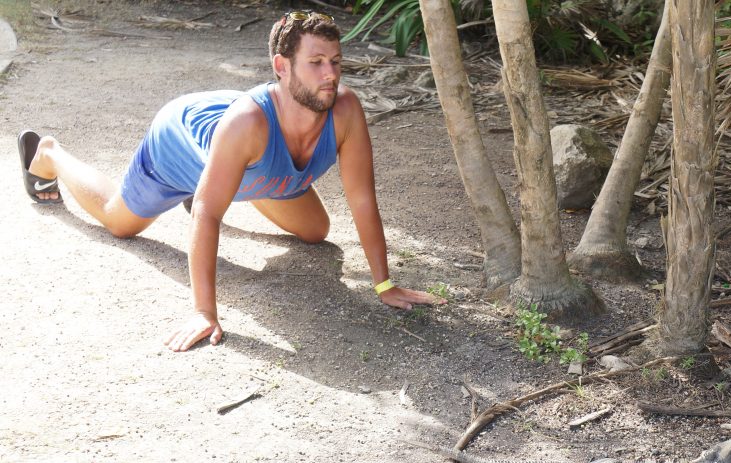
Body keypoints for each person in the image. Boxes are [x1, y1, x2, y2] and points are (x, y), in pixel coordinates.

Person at [16, 10, 443, 352]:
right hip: (182, 141)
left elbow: (362, 199)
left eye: (335, 62)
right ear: (282, 66)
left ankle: (226, 179)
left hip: (237, 148)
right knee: (120, 223)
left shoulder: (345, 109)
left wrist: (384, 283)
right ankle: (51, 154)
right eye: (315, 63)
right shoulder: (247, 123)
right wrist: (205, 312)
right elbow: (207, 212)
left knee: (316, 230)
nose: (329, 74)